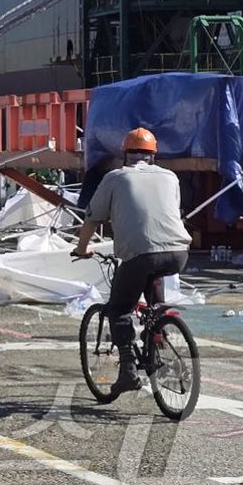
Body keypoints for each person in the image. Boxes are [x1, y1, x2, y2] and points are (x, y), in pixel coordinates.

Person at [73, 127, 192, 393]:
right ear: (153, 155)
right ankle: (158, 334)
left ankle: (127, 370)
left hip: (140, 254)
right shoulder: (170, 177)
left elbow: (92, 219)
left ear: (125, 155)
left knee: (119, 308)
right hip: (178, 252)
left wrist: (81, 249)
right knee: (155, 299)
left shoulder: (115, 178)